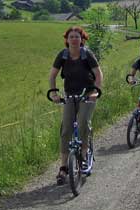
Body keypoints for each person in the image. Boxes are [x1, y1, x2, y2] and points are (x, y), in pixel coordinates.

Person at [48, 26, 104, 185]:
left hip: (87, 94)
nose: (74, 39)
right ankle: (64, 167)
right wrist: (54, 93)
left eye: (77, 37)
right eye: (71, 37)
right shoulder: (63, 55)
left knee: (82, 124)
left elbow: (98, 74)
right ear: (67, 39)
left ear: (82, 39)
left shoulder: (87, 54)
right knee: (66, 129)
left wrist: (95, 91)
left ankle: (85, 157)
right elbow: (52, 75)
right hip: (70, 95)